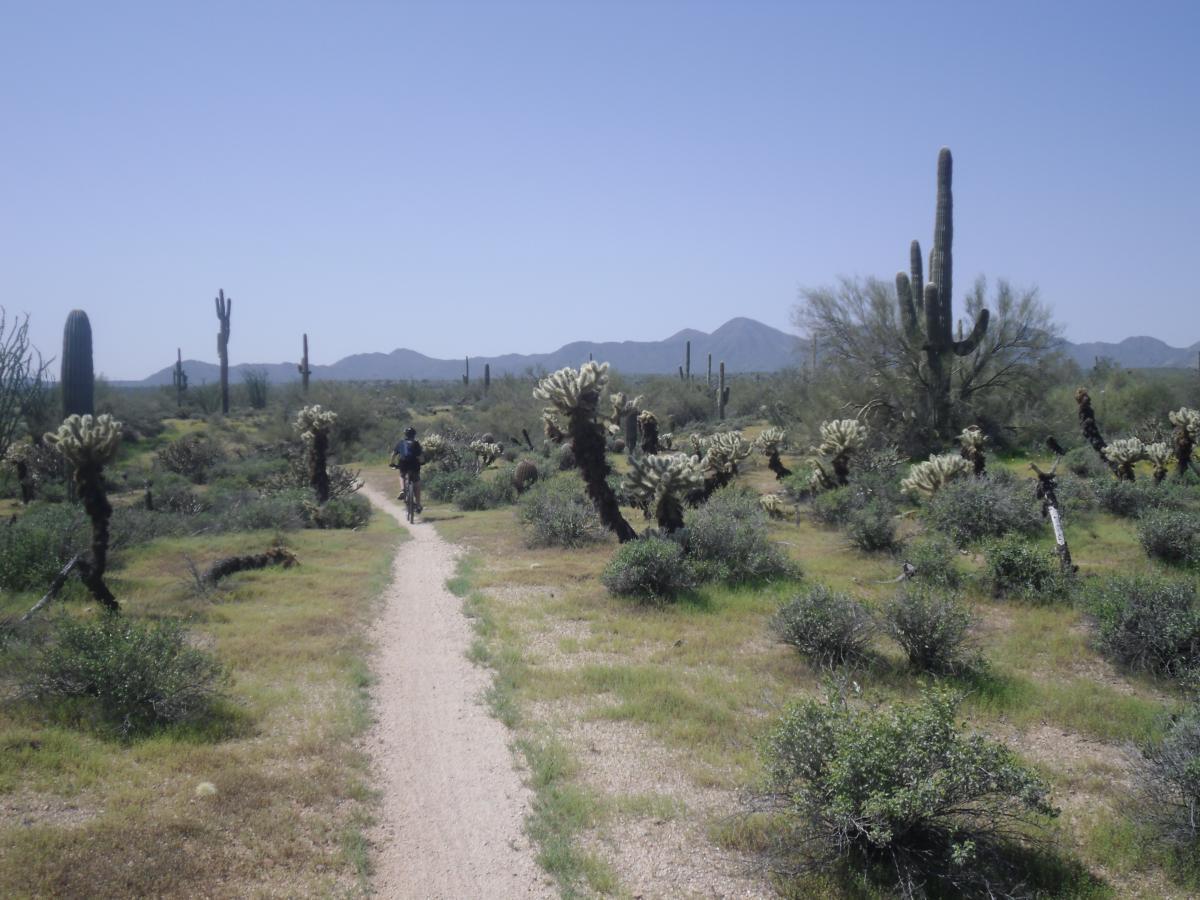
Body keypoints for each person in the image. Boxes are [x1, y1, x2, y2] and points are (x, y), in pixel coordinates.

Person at [391, 426, 423, 513]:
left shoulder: (401, 442)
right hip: (414, 464)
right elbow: (420, 456)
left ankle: (402, 490)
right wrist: (422, 462)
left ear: (405, 434)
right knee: (417, 483)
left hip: (403, 463)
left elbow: (393, 454)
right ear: (414, 435)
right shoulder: (416, 443)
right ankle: (418, 504)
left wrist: (392, 463)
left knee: (402, 475)